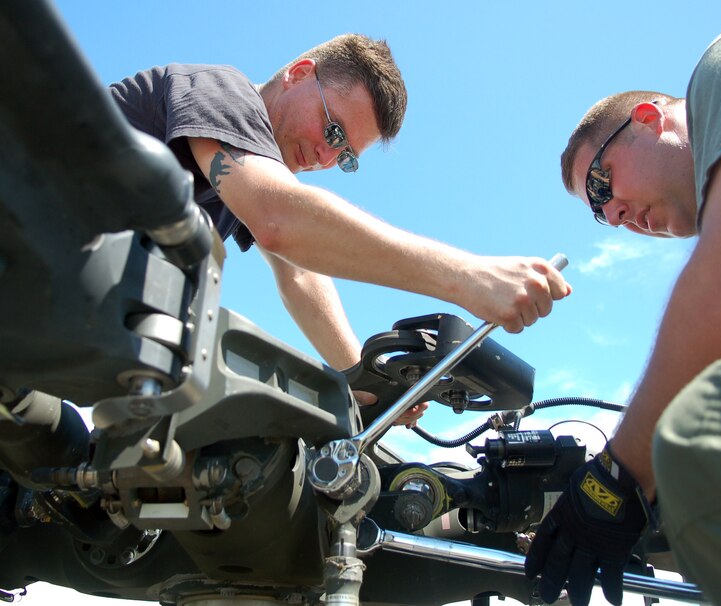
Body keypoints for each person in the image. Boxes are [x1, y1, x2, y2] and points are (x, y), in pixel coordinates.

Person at [109, 35, 571, 428]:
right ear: (299, 73)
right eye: (333, 132)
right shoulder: (223, 92)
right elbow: (280, 221)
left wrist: (363, 382)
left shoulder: (242, 174)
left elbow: (301, 275)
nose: (326, 160)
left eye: (345, 156)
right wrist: (467, 276)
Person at [524, 9, 721, 606]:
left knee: (709, 440)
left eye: (603, 184)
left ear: (649, 119)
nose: (612, 216)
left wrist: (619, 474)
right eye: (597, 212)